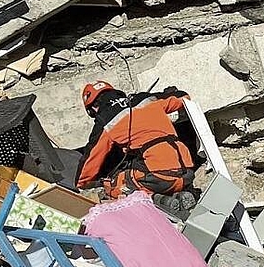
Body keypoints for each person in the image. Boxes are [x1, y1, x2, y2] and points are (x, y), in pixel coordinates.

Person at [75, 81, 197, 209]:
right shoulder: (144, 99)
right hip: (187, 170)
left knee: (114, 185)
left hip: (160, 175)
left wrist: (81, 184)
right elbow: (184, 97)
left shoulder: (105, 120)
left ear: (93, 108)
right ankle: (183, 193)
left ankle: (158, 200)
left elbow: (91, 160)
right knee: (154, 173)